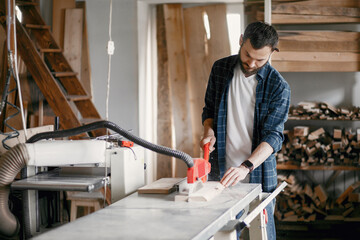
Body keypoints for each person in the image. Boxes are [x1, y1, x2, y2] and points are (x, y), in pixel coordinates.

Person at [200, 21, 290, 240]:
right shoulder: (220, 69)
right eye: (247, 54)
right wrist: (208, 131)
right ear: (241, 41)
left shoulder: (278, 87)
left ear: (272, 52)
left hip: (257, 173)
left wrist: (245, 167)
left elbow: (273, 137)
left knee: (261, 236)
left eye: (260, 59)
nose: (251, 63)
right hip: (220, 172)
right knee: (221, 235)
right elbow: (209, 110)